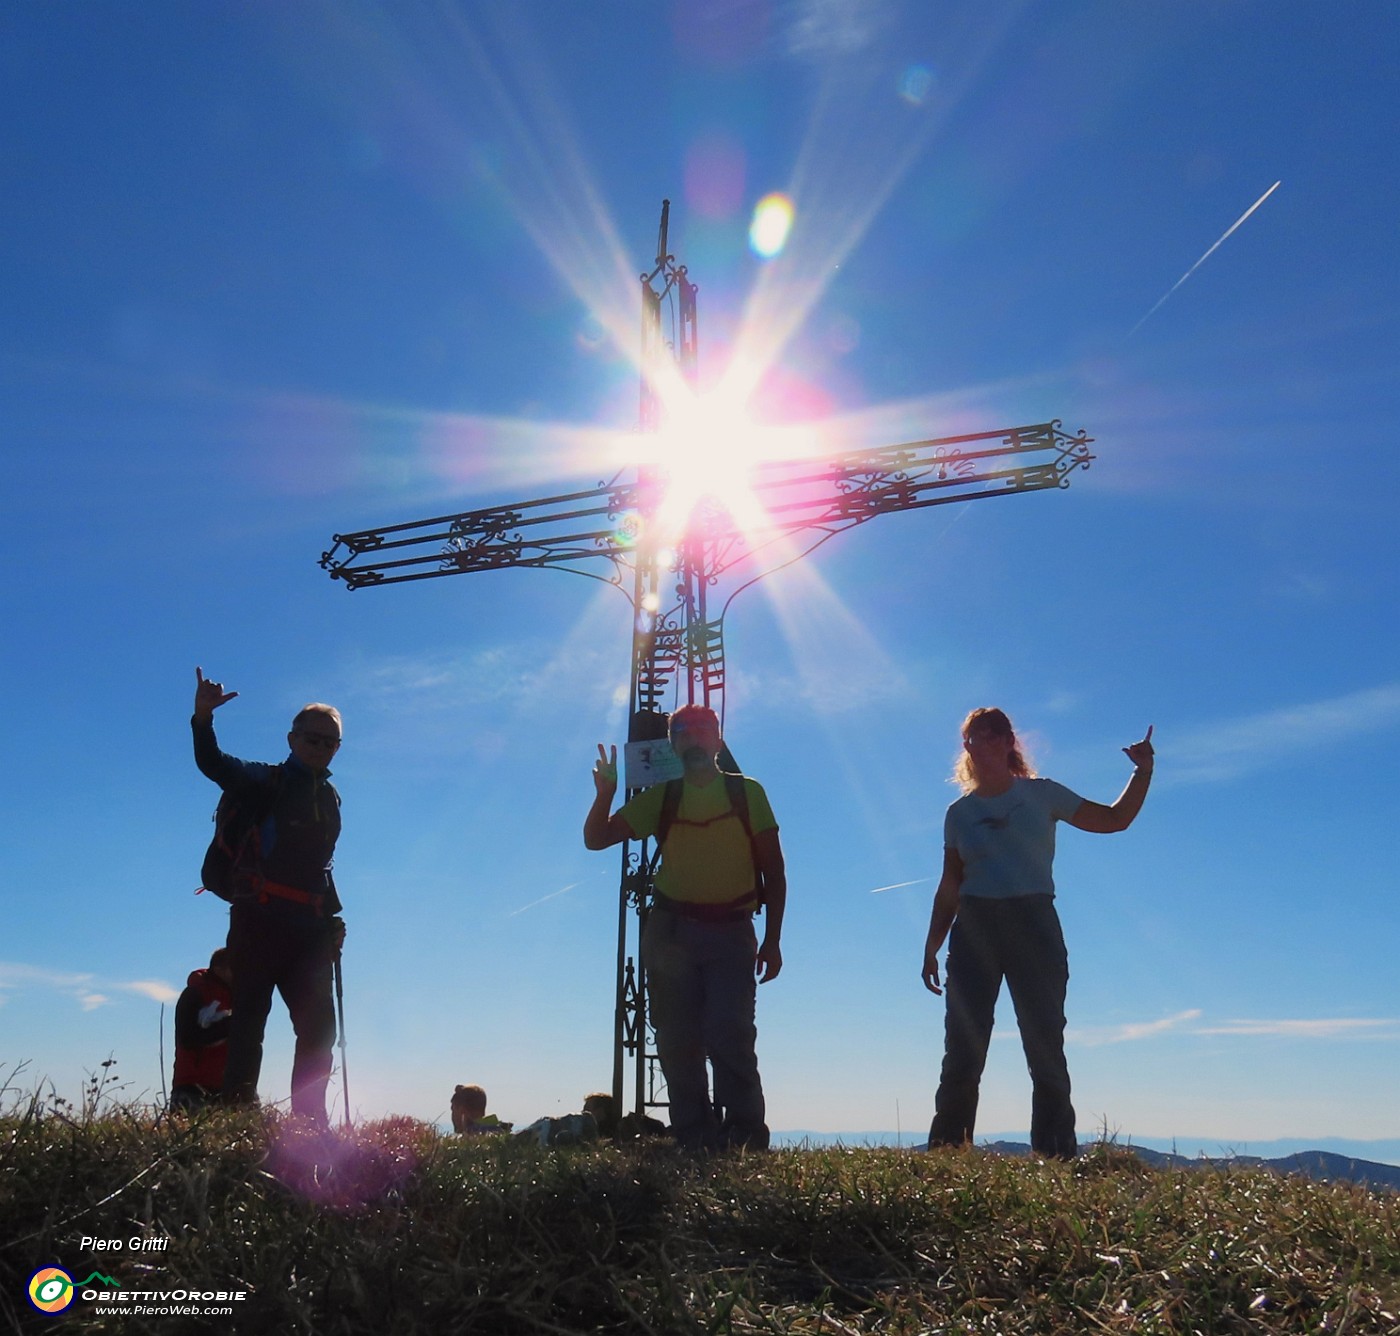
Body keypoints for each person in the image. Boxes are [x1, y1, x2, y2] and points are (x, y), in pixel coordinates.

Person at [921, 708, 1154, 1160]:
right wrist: (931, 946)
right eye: (973, 736)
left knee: (1044, 1044)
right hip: (973, 929)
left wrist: (1142, 772)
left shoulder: (1042, 795)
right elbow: (949, 885)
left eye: (993, 735)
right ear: (966, 746)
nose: (982, 742)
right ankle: (947, 1155)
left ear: (1009, 742)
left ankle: (1055, 1156)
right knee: (962, 1050)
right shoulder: (959, 813)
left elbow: (1113, 819)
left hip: (1034, 923)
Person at [584, 704, 787, 1150]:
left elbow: (775, 871)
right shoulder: (663, 797)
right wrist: (605, 794)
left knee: (730, 1033)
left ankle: (745, 1137)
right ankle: (695, 1137)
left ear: (717, 739)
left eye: (702, 729)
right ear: (674, 744)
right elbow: (597, 839)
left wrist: (772, 940)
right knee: (677, 1040)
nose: (693, 738)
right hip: (671, 930)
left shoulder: (747, 793)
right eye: (683, 732)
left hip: (732, 931)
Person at [192, 666, 346, 1125]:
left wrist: (332, 919)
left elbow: (319, 865)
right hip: (258, 921)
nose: (320, 746)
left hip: (309, 929)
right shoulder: (266, 781)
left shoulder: (331, 797)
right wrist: (203, 718)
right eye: (312, 738)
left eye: (329, 741)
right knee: (248, 1025)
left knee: (319, 1031)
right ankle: (238, 1119)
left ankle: (310, 1124)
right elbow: (213, 765)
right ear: (292, 739)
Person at [170, 947, 234, 1112]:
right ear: (219, 969)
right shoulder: (194, 993)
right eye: (236, 968)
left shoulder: (237, 996)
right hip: (191, 1085)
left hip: (226, 1085)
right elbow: (188, 1039)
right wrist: (230, 1025)